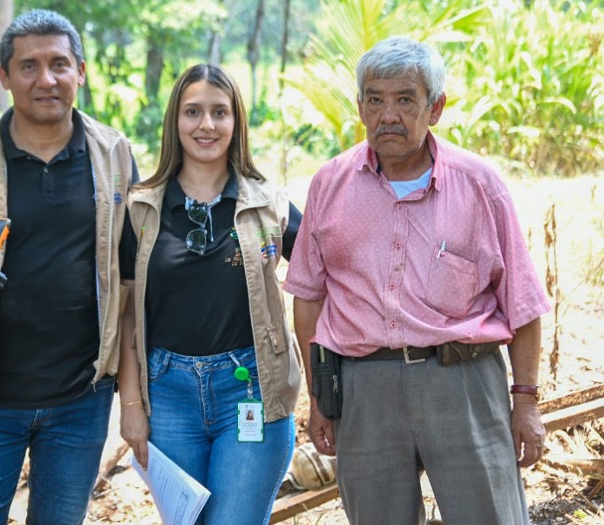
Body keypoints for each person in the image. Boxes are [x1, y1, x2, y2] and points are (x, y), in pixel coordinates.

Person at [283, 36, 550, 525]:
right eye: (375, 99)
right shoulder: (329, 183)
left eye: (405, 99)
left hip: (464, 384)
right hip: (364, 390)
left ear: (437, 107)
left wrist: (526, 403)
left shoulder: (479, 185)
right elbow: (308, 300)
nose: (389, 114)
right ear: (360, 106)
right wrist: (322, 398)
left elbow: (523, 304)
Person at [0, 9, 137, 525]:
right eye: (29, 66)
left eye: (59, 64)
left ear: (81, 71)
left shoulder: (114, 155)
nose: (46, 79)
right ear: (4, 77)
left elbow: (131, 273)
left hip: (81, 396)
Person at [117, 64, 303, 525]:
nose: (206, 125)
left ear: (236, 122)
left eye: (220, 112)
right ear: (174, 122)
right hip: (168, 394)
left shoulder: (268, 204)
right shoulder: (141, 208)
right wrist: (132, 407)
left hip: (251, 390)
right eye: (193, 112)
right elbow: (124, 317)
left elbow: (326, 277)